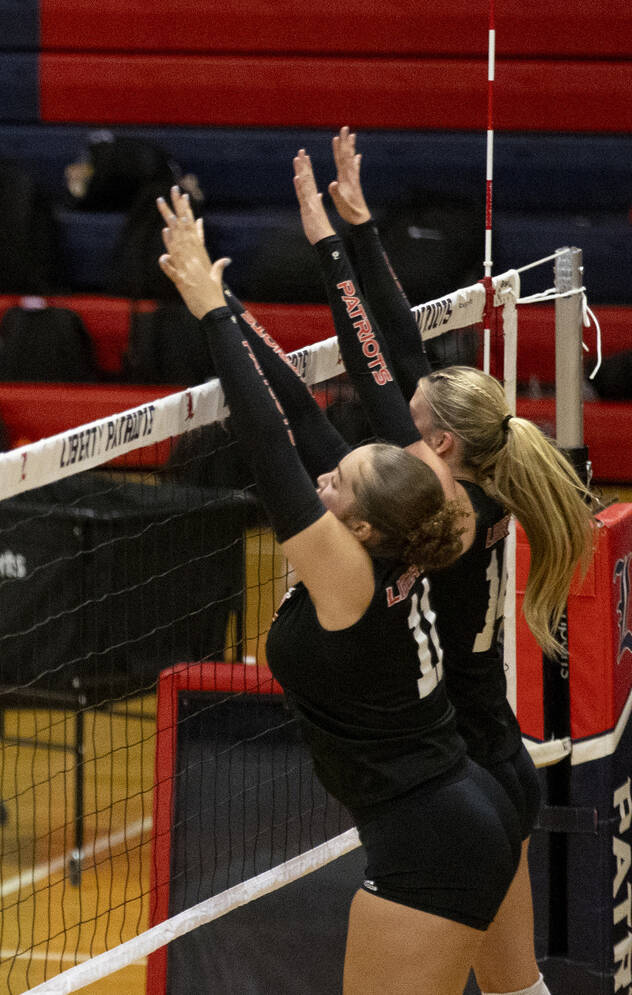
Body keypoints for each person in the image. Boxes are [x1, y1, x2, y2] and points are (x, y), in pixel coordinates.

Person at [157, 185, 523, 994]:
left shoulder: (349, 577)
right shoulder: (397, 534)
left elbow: (266, 445)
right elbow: (296, 414)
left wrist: (214, 317)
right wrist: (220, 299)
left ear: (359, 527)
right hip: (462, 803)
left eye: (337, 486)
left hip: (433, 836)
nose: (325, 478)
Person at [288, 128, 594, 995]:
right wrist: (360, 225)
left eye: (413, 418)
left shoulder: (438, 507)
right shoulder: (476, 478)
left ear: (439, 441)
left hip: (458, 776)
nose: (402, 408)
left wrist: (326, 243)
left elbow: (371, 355)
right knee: (516, 989)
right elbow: (402, 355)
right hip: (499, 760)